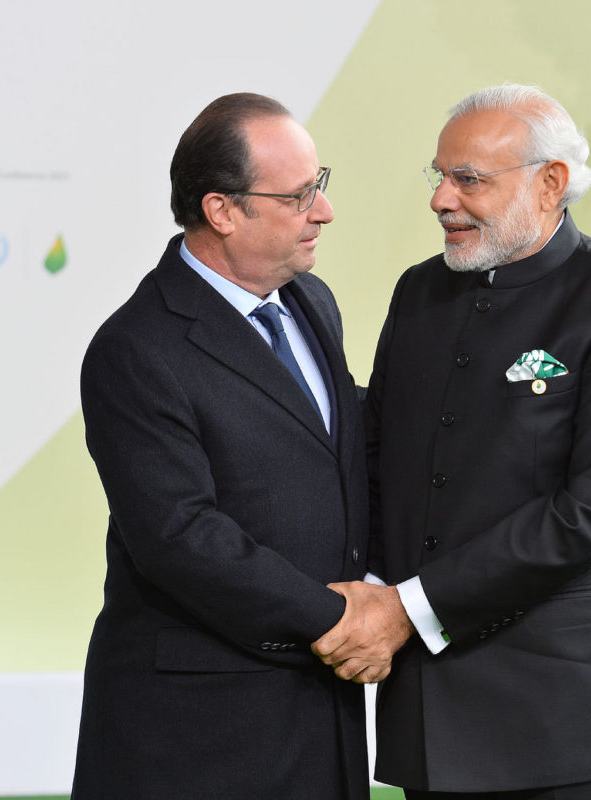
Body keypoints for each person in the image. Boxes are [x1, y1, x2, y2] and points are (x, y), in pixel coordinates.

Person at [315, 83, 591, 797]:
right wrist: (364, 590)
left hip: (570, 713)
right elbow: (379, 457)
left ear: (551, 184)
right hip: (432, 706)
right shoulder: (418, 294)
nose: (441, 199)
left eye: (469, 180)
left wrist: (407, 609)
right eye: (439, 176)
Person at [71, 92, 370, 799]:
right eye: (299, 196)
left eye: (318, 186)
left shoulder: (311, 302)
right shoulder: (136, 348)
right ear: (222, 210)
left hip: (319, 714)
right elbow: (180, 538)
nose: (322, 212)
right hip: (198, 733)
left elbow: (337, 463)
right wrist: (343, 621)